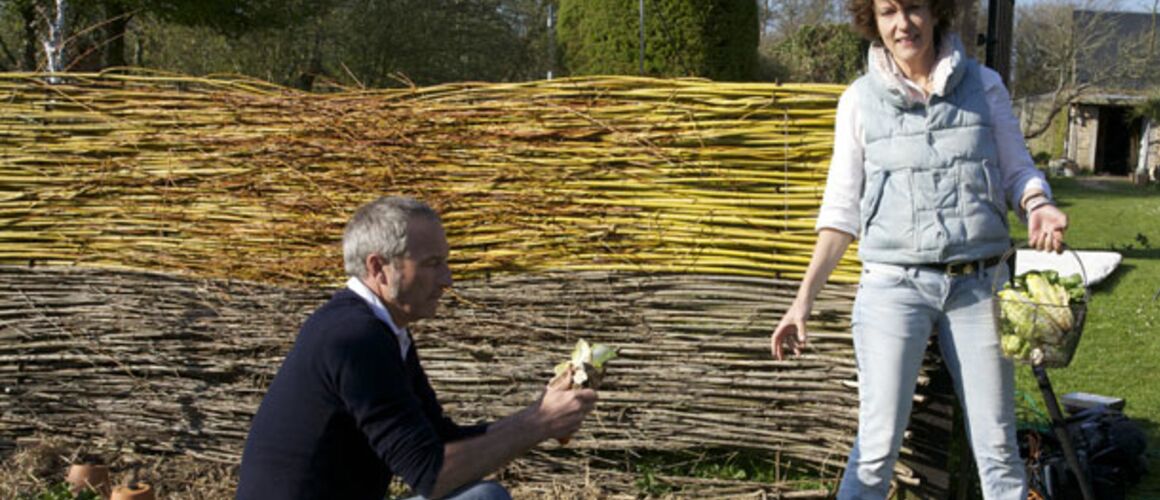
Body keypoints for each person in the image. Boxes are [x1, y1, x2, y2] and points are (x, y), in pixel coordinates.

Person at [768, 0, 1069, 497]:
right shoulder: (859, 101)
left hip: (979, 286)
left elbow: (1018, 170)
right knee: (877, 444)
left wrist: (1037, 204)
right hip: (893, 288)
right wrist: (802, 303)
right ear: (873, 20)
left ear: (936, 12)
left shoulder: (985, 85)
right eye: (887, 12)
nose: (902, 24)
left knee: (998, 449)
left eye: (912, 8)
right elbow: (841, 213)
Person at [238, 196, 598, 500]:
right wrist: (540, 423)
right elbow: (430, 473)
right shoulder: (353, 338)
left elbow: (441, 441)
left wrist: (537, 413)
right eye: (432, 264)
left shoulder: (381, 330)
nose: (447, 279)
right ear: (379, 268)